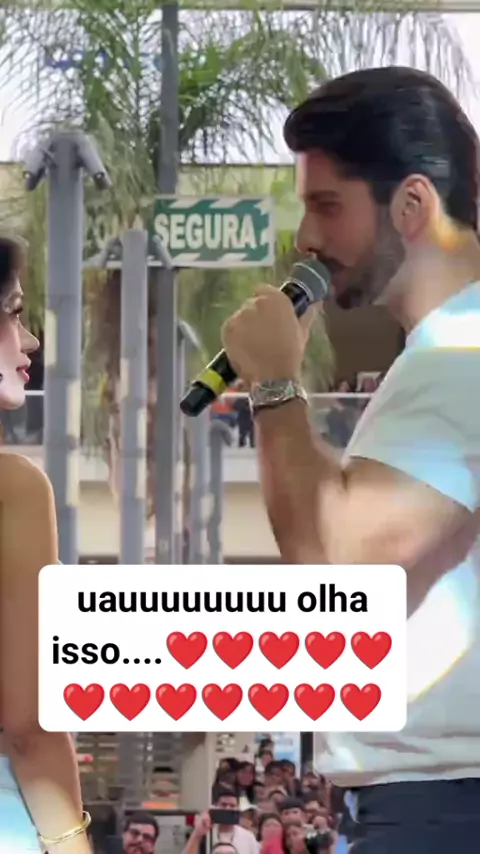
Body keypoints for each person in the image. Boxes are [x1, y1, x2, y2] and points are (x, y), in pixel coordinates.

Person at [221, 66, 480, 853]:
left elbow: (338, 572)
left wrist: (274, 384)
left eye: (327, 206)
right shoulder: (440, 358)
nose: (307, 238)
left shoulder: (459, 357)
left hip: (441, 808)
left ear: (411, 206)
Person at [0, 236, 91, 852]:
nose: (29, 340)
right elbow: (30, 726)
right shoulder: (13, 489)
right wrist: (72, 842)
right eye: (12, 313)